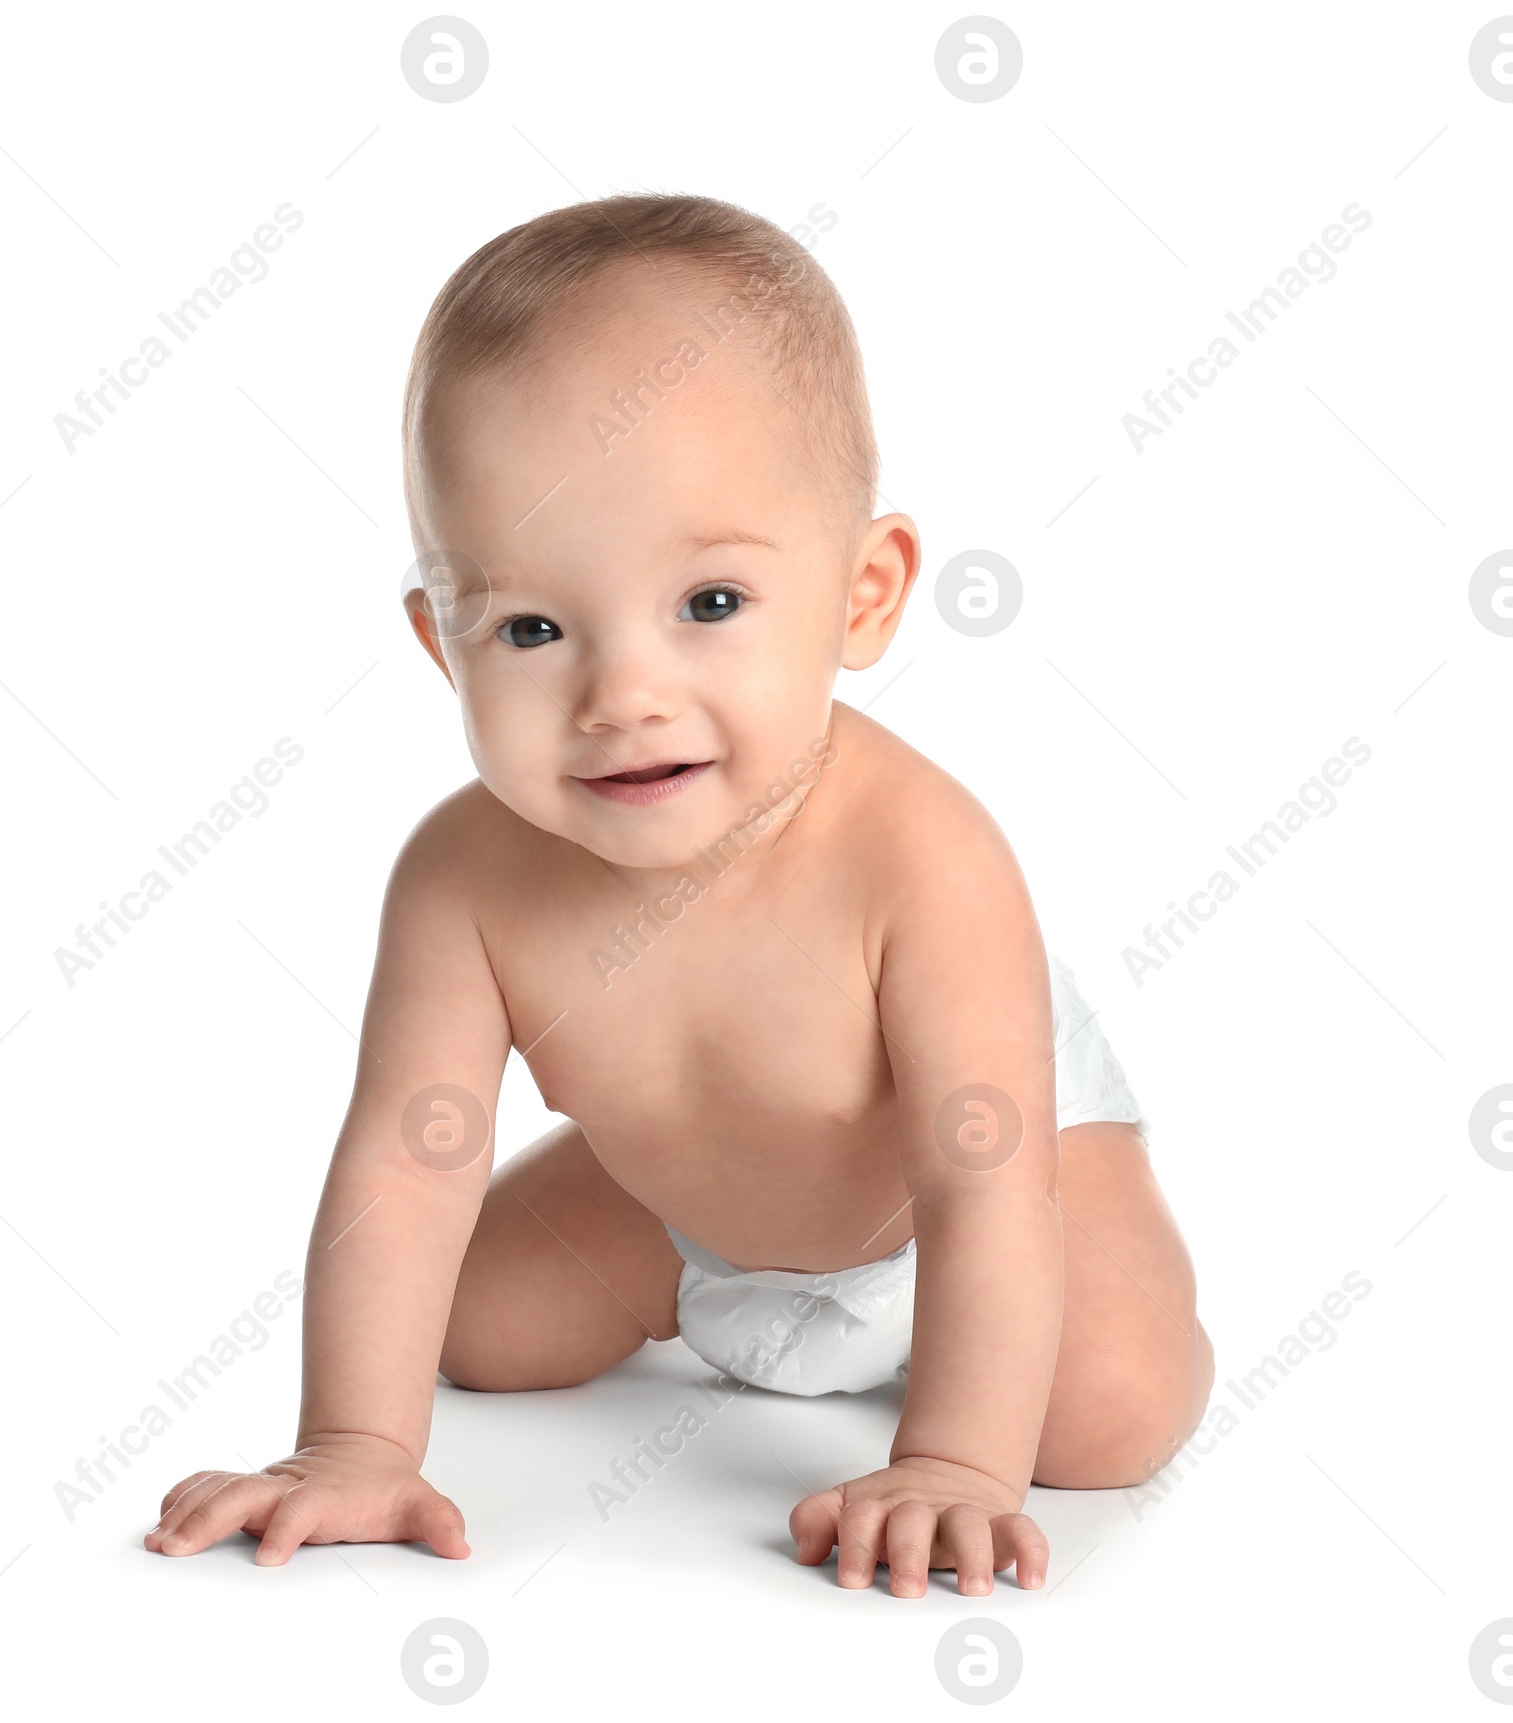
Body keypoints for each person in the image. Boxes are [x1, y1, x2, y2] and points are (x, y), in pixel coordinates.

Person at [146, 192, 1213, 1598]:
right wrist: (351, 1441)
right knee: (472, 1330)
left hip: (983, 1183)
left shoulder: (922, 858)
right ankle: (693, 1247)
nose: (622, 700)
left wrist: (955, 1463)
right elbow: (409, 1164)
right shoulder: (463, 881)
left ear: (862, 594)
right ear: (440, 642)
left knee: (1106, 1418)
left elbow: (980, 1178)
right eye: (532, 627)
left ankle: (943, 1365)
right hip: (694, 1194)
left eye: (709, 604)